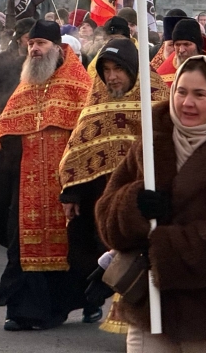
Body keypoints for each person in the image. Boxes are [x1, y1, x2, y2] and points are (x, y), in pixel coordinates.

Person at [96, 55, 206, 351]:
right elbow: (106, 216)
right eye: (181, 92)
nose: (187, 103)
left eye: (200, 94)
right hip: (151, 312)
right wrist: (134, 204)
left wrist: (164, 250)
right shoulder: (151, 142)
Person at [0, 20, 94, 331]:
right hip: (26, 188)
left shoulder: (78, 84)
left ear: (57, 48)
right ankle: (21, 310)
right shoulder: (26, 84)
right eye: (32, 43)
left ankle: (57, 308)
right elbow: (5, 129)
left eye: (41, 44)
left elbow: (87, 137)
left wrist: (78, 188)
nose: (34, 49)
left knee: (70, 248)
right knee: (21, 247)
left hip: (65, 187)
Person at [59, 38, 170, 332]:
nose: (112, 76)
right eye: (106, 70)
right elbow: (78, 145)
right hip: (100, 195)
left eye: (118, 69)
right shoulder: (97, 98)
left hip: (141, 196)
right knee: (89, 253)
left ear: (133, 69)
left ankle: (136, 322)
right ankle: (90, 304)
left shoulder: (156, 97)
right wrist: (71, 192)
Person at [0, 17, 34, 109]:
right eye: (28, 38)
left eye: (36, 40)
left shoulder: (39, 62)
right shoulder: (0, 60)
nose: (32, 43)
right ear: (18, 39)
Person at [155, 17, 206, 87]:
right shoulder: (161, 78)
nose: (181, 50)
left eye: (186, 44)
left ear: (198, 46)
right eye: (177, 45)